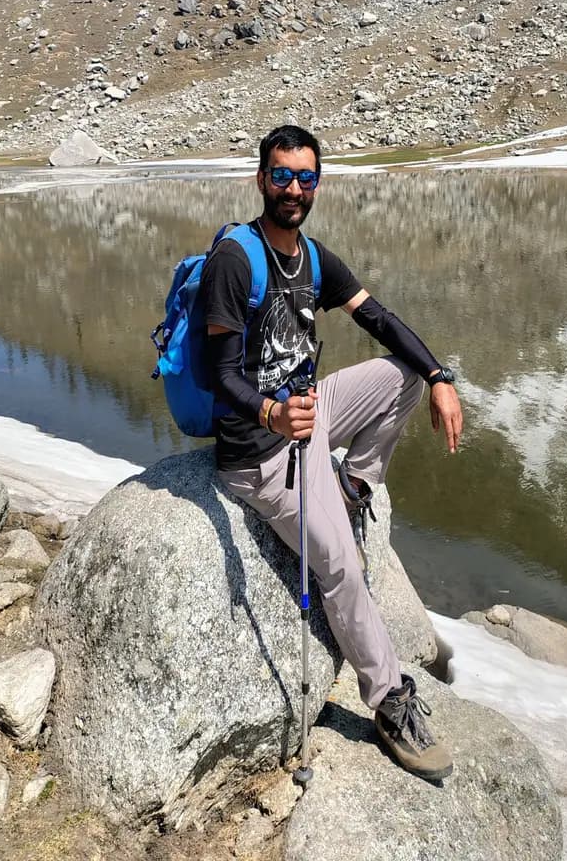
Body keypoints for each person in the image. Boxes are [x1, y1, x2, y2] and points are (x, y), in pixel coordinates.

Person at [193, 124, 464, 781]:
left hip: (311, 417)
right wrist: (271, 411)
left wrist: (439, 379)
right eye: (282, 175)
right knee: (341, 568)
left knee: (399, 374)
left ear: (318, 184)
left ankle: (353, 488)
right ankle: (388, 699)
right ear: (261, 179)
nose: (293, 188)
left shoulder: (313, 259)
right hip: (259, 450)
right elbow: (215, 371)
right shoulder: (238, 259)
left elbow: (380, 319)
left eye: (305, 177)